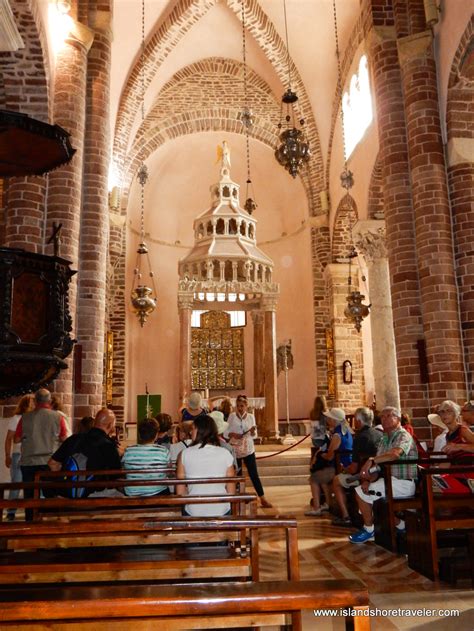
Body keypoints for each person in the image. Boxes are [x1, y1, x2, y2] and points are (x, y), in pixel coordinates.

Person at [348, 406, 417, 544]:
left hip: (403, 482)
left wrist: (372, 460)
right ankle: (401, 525)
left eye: (388, 416)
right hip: (387, 481)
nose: (384, 419)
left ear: (397, 419)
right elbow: (376, 468)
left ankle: (369, 529)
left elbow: (394, 454)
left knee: (360, 494)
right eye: (382, 417)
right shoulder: (384, 439)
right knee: (364, 489)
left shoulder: (403, 435)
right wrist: (368, 480)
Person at [14, 388, 69, 521]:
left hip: (29, 462)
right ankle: (51, 522)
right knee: (51, 495)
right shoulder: (58, 417)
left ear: (35, 401)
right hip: (49, 462)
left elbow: (16, 439)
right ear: (49, 400)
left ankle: (30, 523)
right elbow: (64, 438)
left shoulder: (25, 417)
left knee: (30, 496)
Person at [48, 408, 122, 496]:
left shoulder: (73, 439)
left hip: (68, 495)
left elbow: (52, 464)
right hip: (96, 496)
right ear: (110, 426)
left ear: (94, 422)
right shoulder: (109, 446)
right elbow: (116, 476)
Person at [331, 406, 382, 526]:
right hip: (378, 473)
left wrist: (344, 469)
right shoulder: (379, 434)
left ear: (358, 421)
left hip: (362, 476)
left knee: (337, 480)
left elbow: (354, 468)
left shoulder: (360, 437)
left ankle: (346, 516)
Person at [176, 415, 235, 517]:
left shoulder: (184, 454)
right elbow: (231, 491)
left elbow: (180, 492)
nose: (190, 432)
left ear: (200, 430)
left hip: (193, 511)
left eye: (193, 429)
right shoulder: (225, 453)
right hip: (221, 510)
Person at [225, 394, 272, 508]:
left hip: (248, 449)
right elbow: (226, 433)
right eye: (238, 406)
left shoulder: (251, 417)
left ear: (246, 406)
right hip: (235, 449)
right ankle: (238, 498)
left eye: (242, 406)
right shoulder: (232, 416)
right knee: (237, 474)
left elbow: (254, 435)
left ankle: (262, 498)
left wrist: (252, 432)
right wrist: (232, 434)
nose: (240, 408)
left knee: (253, 474)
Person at [305, 408, 353, 517]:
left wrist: (320, 455)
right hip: (341, 464)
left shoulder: (337, 434)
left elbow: (330, 456)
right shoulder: (345, 430)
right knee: (321, 476)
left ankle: (317, 508)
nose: (327, 419)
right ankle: (328, 504)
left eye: (329, 418)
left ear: (334, 420)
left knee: (313, 479)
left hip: (340, 467)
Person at [4, 394, 34, 521]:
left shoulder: (35, 418)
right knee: (16, 482)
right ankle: (11, 511)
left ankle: (34, 510)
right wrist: (7, 455)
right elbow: (9, 439)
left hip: (32, 454)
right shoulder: (16, 419)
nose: (34, 404)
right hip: (18, 454)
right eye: (32, 402)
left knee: (33, 483)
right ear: (26, 404)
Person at [122, 418, 171, 496]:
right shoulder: (163, 451)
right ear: (156, 435)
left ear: (139, 435)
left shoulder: (129, 450)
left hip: (132, 494)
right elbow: (169, 471)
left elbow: (124, 469)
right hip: (158, 494)